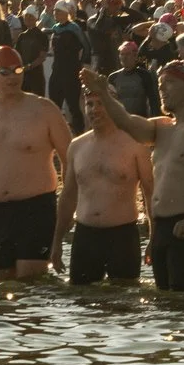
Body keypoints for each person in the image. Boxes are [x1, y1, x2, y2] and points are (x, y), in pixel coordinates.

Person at [82, 60, 184, 292]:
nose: (162, 89)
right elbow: (125, 121)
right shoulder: (161, 128)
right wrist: (103, 92)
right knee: (165, 305)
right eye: (161, 84)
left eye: (169, 83)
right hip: (163, 229)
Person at [0, 47, 75, 281]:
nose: (13, 77)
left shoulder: (43, 109)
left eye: (18, 70)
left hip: (36, 208)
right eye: (5, 72)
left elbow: (70, 159)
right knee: (0, 283)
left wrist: (67, 204)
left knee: (31, 282)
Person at [60, 72, 157, 283]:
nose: (94, 110)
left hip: (122, 236)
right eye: (90, 104)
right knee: (82, 302)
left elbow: (150, 194)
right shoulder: (77, 147)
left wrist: (153, 239)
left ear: (113, 106)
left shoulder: (134, 144)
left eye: (100, 103)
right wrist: (56, 242)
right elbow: (67, 196)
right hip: (85, 236)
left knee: (123, 303)